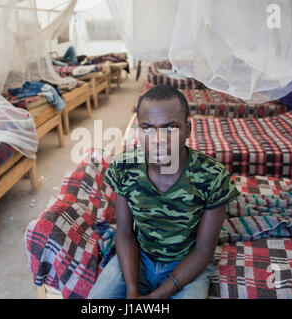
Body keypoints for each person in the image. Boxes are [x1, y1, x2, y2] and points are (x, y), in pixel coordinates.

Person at [88, 85, 240, 299]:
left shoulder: (212, 177)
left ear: (187, 130)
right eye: (148, 128)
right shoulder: (124, 168)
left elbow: (204, 249)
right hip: (138, 258)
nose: (158, 139)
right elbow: (123, 230)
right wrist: (132, 290)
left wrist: (155, 297)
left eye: (171, 128)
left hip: (187, 263)